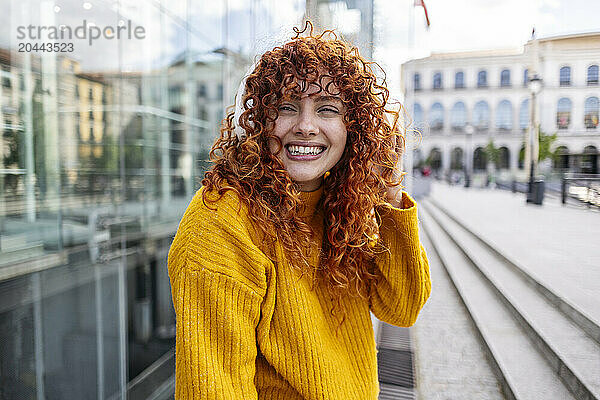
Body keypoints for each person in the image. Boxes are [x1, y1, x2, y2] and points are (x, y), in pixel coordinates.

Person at [167, 22, 431, 399]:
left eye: (327, 109)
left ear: (351, 127)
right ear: (260, 122)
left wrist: (389, 197)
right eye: (287, 108)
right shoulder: (221, 225)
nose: (306, 126)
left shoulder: (342, 201)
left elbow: (402, 308)